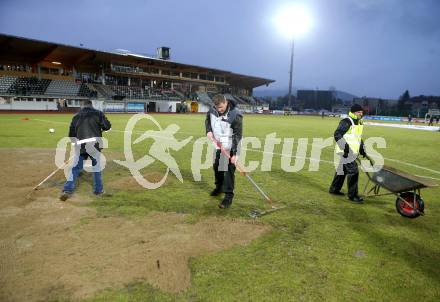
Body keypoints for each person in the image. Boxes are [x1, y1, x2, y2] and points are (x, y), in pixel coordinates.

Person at [60, 100, 111, 201]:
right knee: (96, 169)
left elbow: (71, 135)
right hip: (95, 146)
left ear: (82, 106)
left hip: (81, 146)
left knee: (75, 169)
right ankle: (98, 190)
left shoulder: (76, 116)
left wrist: (76, 145)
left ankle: (67, 189)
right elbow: (107, 126)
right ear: (91, 105)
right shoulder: (98, 113)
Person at [205, 94, 243, 209]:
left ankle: (228, 196)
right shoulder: (212, 110)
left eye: (221, 107)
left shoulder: (235, 115)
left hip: (232, 145)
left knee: (228, 170)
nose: (219, 110)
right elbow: (207, 121)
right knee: (217, 166)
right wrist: (208, 131)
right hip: (219, 144)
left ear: (226, 102)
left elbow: (238, 135)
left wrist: (235, 153)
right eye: (217, 108)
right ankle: (219, 187)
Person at [329, 104, 367, 203]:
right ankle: (353, 195)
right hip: (346, 151)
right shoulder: (346, 121)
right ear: (354, 112)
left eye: (362, 112)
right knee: (353, 171)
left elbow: (357, 137)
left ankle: (334, 189)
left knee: (342, 171)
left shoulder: (359, 122)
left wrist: (362, 148)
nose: (361, 114)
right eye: (359, 112)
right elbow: (337, 134)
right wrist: (345, 148)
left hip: (352, 151)